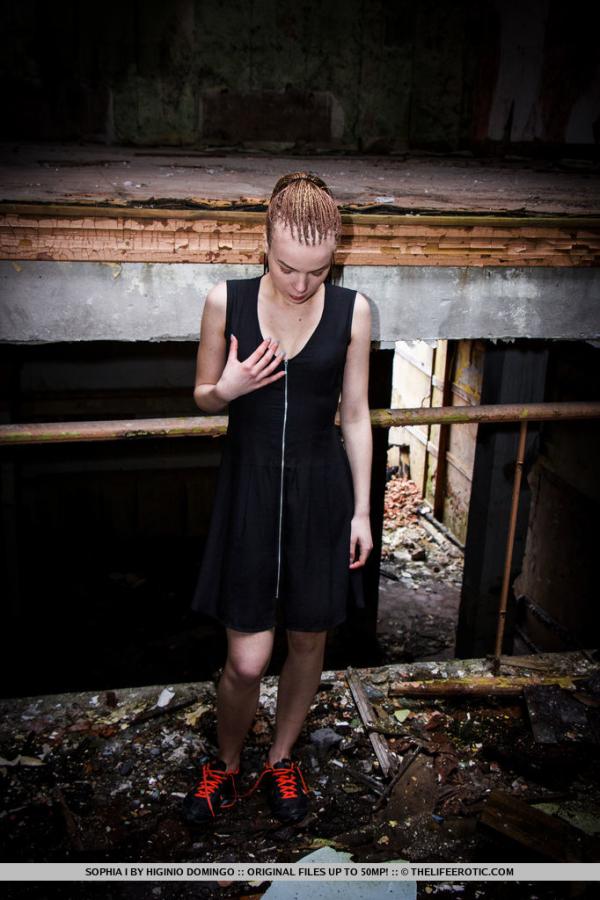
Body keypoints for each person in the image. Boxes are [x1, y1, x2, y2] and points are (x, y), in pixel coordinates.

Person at [183, 171, 373, 826]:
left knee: (309, 641)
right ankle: (226, 764)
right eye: (288, 267)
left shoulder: (354, 311)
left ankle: (281, 758)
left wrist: (362, 511)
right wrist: (228, 388)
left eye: (318, 272)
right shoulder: (225, 300)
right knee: (247, 659)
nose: (300, 283)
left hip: (322, 492)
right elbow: (203, 395)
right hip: (251, 489)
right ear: (264, 242)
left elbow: (355, 414)